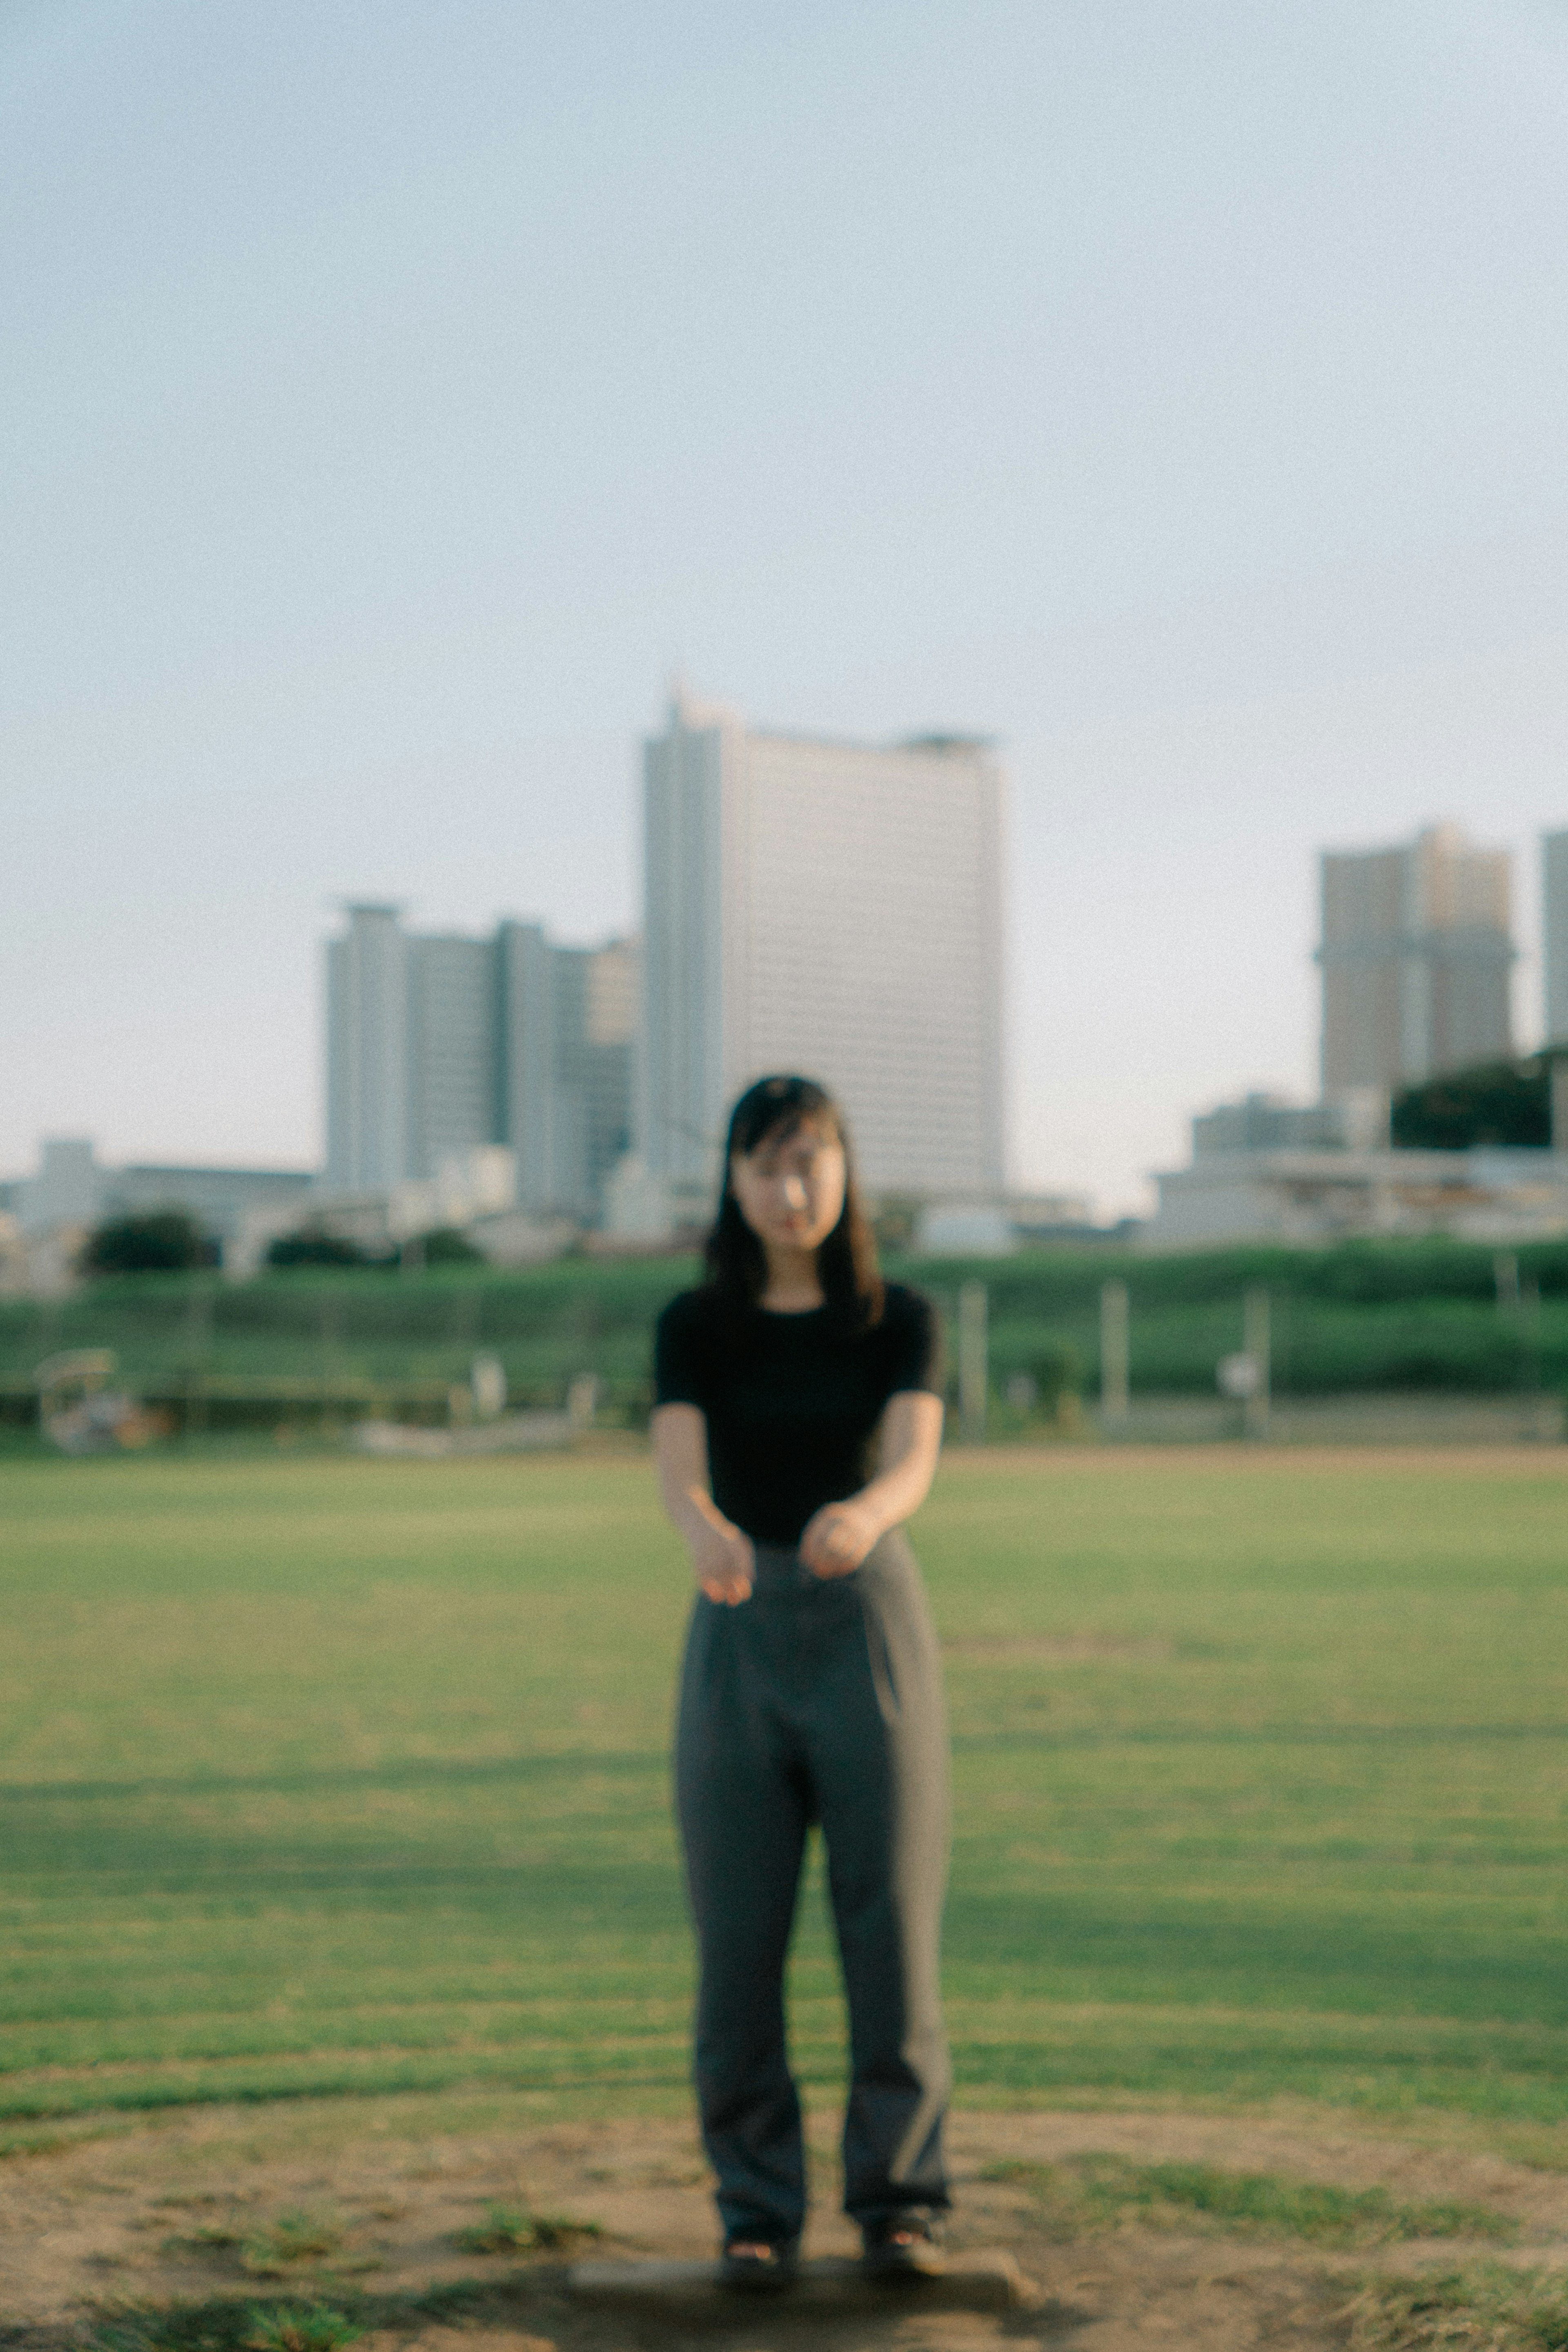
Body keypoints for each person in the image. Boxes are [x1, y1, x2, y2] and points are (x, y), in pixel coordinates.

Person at [652, 1074, 952, 2292]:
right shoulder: (696, 1323)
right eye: (769, 1165)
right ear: (734, 1179)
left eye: (813, 1161)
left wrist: (866, 1515)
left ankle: (900, 2205)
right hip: (736, 1627)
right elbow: (679, 1473)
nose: (793, 1189)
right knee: (738, 1935)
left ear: (846, 1169)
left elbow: (915, 1455)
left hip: (867, 1622)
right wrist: (706, 1533)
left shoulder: (897, 1315)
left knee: (891, 1925)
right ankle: (756, 2209)